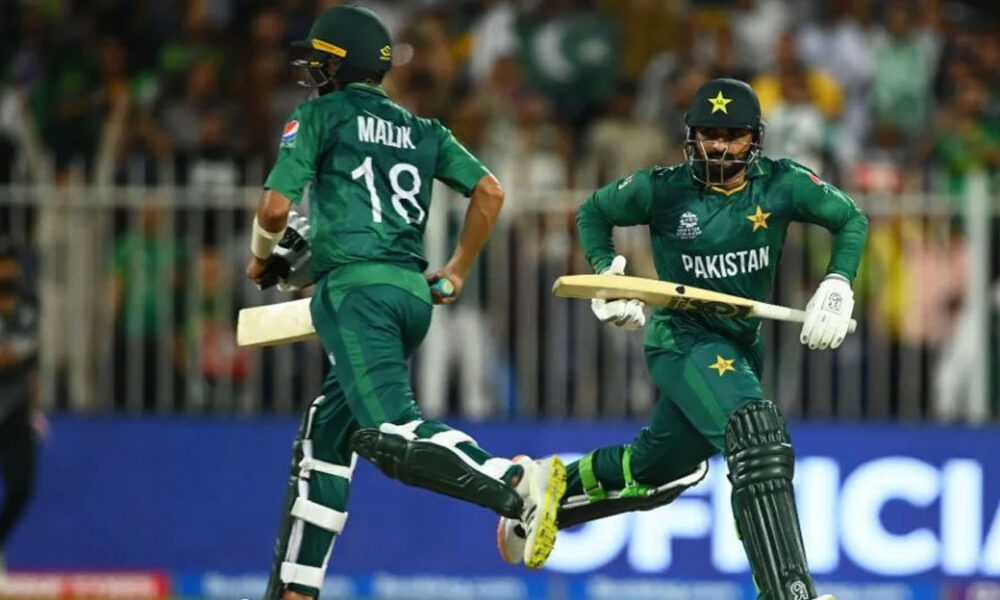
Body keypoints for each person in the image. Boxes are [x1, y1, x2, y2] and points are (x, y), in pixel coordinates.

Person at [497, 78, 868, 600]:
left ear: (755, 138)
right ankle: (789, 593)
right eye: (709, 134)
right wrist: (608, 272)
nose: (719, 147)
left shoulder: (781, 184)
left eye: (733, 136)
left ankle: (547, 483)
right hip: (682, 338)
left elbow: (851, 218)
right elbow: (593, 212)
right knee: (758, 437)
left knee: (661, 468)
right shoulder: (664, 188)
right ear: (690, 136)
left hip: (740, 345)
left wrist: (837, 283)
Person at [244, 7, 565, 599]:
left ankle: (514, 480)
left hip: (357, 295)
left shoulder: (319, 115)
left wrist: (262, 256)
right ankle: (295, 590)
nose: (312, 68)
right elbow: (490, 192)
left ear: (343, 64)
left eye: (321, 58)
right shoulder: (424, 130)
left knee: (391, 434)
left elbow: (274, 209)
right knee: (324, 438)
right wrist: (457, 269)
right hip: (411, 295)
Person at [0, 241, 45, 571]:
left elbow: (18, 353)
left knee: (22, 487)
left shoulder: (28, 303)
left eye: (11, 265)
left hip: (15, 408)